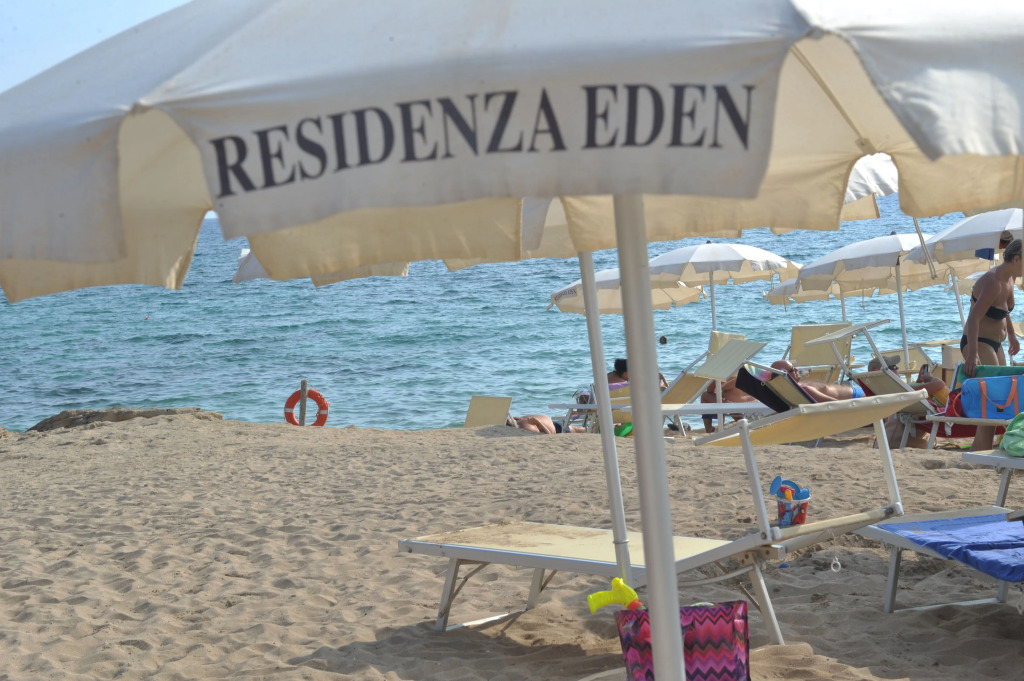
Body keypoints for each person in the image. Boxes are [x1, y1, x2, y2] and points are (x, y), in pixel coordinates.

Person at [961, 238, 1023, 449]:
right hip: (977, 341)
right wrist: (972, 354)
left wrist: (1012, 335)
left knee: (1000, 395)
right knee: (993, 397)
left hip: (996, 344)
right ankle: (983, 449)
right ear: (1017, 259)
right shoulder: (993, 281)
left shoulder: (1010, 279)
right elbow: (974, 318)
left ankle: (980, 448)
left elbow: (1003, 310)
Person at [506, 414, 584, 434]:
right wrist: (538, 422)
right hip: (559, 430)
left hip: (554, 424)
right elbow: (547, 435)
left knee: (579, 429)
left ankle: (589, 429)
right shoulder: (525, 428)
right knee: (578, 430)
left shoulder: (515, 420)